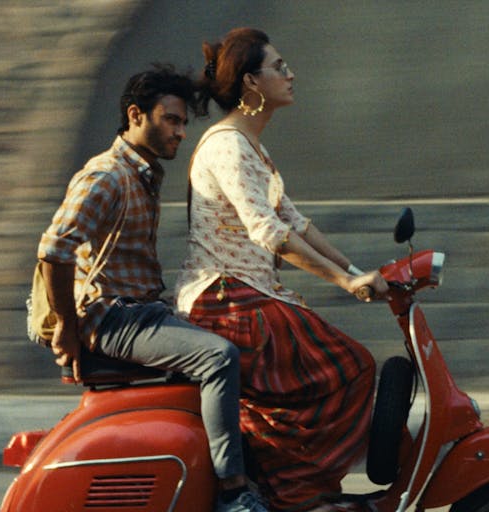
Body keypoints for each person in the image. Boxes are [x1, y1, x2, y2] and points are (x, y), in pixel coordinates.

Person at [175, 29, 389, 512]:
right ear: (251, 82)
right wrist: (344, 282)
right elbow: (269, 232)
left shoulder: (252, 149)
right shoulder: (228, 145)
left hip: (247, 294)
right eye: (279, 67)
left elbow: (296, 223)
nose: (291, 75)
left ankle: (291, 488)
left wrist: (359, 271)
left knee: (343, 370)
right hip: (223, 299)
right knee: (350, 368)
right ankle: (296, 496)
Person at [37, 64, 267, 512]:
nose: (181, 133)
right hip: (114, 317)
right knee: (218, 357)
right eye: (171, 120)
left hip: (143, 311)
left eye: (183, 123)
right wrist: (67, 324)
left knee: (247, 338)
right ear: (135, 115)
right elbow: (54, 250)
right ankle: (234, 493)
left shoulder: (143, 173)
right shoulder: (107, 176)